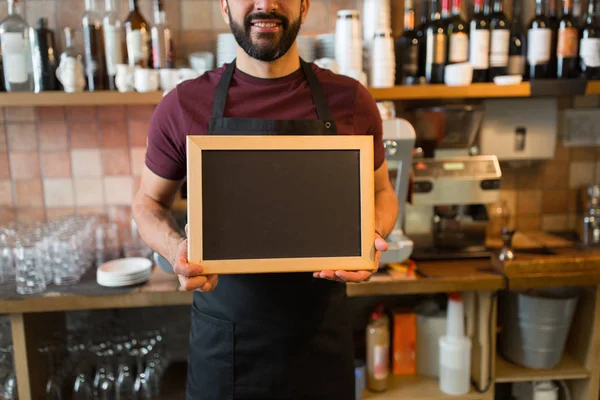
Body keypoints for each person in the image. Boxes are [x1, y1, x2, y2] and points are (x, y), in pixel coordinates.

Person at [131, 0, 399, 398]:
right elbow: (147, 204)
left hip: (321, 346)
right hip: (226, 352)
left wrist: (369, 236)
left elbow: (382, 192)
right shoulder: (184, 105)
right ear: (224, 6)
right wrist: (177, 251)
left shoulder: (351, 100)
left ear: (305, 6)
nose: (265, 3)